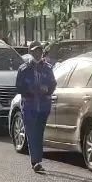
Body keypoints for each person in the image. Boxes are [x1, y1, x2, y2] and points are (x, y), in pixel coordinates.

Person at [15, 40, 57, 173]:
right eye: (35, 51)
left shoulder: (47, 68)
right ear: (30, 52)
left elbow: (53, 83)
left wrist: (47, 89)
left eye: (39, 51)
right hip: (29, 106)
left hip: (43, 106)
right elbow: (18, 87)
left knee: (39, 133)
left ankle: (37, 159)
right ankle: (36, 161)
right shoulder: (24, 68)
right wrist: (30, 90)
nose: (37, 53)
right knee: (31, 133)